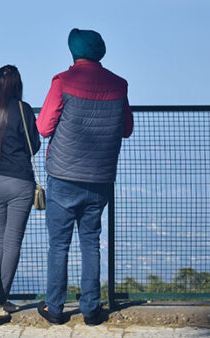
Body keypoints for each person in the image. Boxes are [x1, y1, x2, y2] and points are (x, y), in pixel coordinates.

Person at [36, 28, 133, 326]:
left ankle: (55, 308)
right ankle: (91, 309)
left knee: (59, 244)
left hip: (63, 177)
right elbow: (126, 128)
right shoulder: (119, 85)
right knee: (90, 242)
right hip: (101, 178)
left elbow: (43, 127)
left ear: (73, 51)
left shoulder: (63, 82)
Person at [0, 65, 40, 319]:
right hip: (19, 183)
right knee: (12, 243)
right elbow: (33, 145)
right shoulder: (22, 109)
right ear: (17, 85)